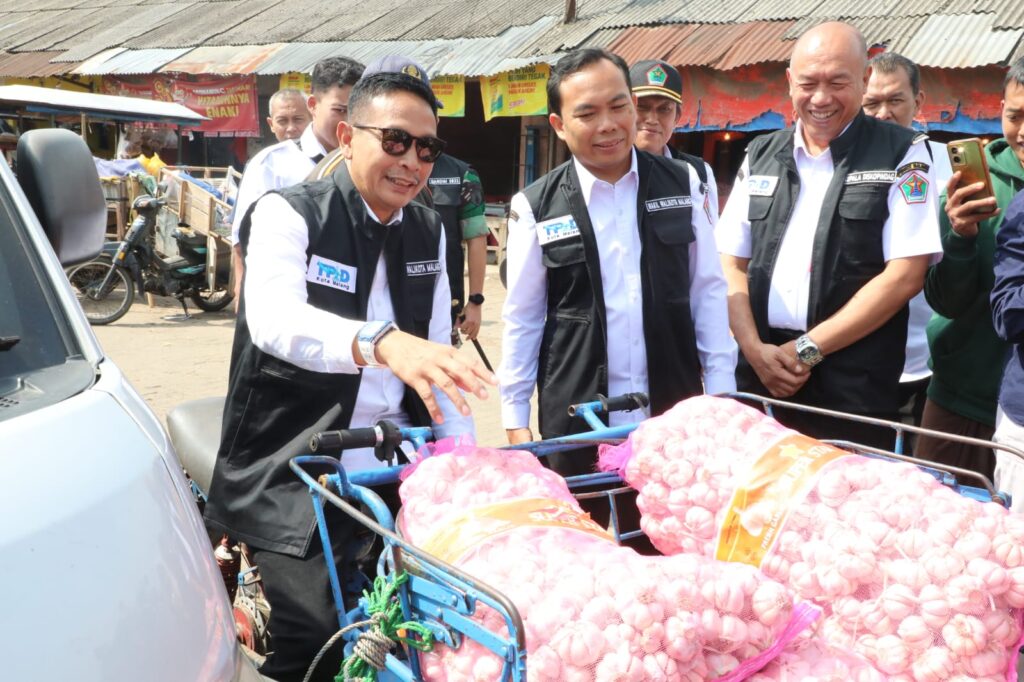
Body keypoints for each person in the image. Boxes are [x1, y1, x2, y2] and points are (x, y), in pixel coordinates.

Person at [204, 69, 495, 682]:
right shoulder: (288, 213)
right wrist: (381, 342)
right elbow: (275, 321)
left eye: (426, 149)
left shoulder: (429, 230)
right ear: (345, 136)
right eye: (395, 141)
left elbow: (436, 359)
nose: (411, 162)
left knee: (451, 614)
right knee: (322, 637)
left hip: (395, 462)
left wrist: (464, 464)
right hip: (293, 462)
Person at [500, 47, 737, 476]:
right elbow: (524, 315)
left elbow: (707, 289)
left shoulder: (682, 183)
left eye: (618, 106)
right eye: (587, 113)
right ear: (559, 125)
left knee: (672, 512)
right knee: (585, 514)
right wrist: (516, 417)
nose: (608, 124)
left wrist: (721, 392)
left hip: (674, 408)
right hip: (577, 415)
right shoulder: (535, 206)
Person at [716, 22, 942, 448]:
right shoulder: (761, 153)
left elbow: (905, 275)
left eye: (837, 83)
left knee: (844, 488)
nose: (820, 98)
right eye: (808, 84)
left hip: (851, 387)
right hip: (760, 377)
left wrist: (807, 349)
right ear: (789, 82)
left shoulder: (903, 153)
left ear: (863, 79)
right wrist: (753, 348)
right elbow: (729, 263)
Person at [925, 58, 1024, 479]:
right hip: (960, 398)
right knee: (932, 512)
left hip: (1018, 408)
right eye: (1015, 116)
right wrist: (960, 236)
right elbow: (944, 300)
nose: (1023, 131)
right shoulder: (975, 186)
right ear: (1000, 109)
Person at [862, 51, 954, 437]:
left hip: (935, 357)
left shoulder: (952, 167)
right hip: (858, 353)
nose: (883, 113)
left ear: (918, 102)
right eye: (871, 103)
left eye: (895, 100)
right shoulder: (841, 168)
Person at [230, 57, 365, 305]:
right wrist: (243, 289)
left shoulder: (366, 164)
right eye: (340, 110)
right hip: (287, 297)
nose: (349, 121)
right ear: (313, 105)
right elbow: (243, 237)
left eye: (357, 111)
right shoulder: (271, 164)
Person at [629, 58, 719, 225]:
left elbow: (709, 237)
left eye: (664, 109)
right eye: (642, 106)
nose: (652, 119)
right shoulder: (603, 169)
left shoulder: (698, 173)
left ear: (677, 117)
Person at [429, 154, 489, 342]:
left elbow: (477, 237)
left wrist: (475, 302)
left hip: (445, 299)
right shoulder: (387, 166)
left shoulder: (462, 173)